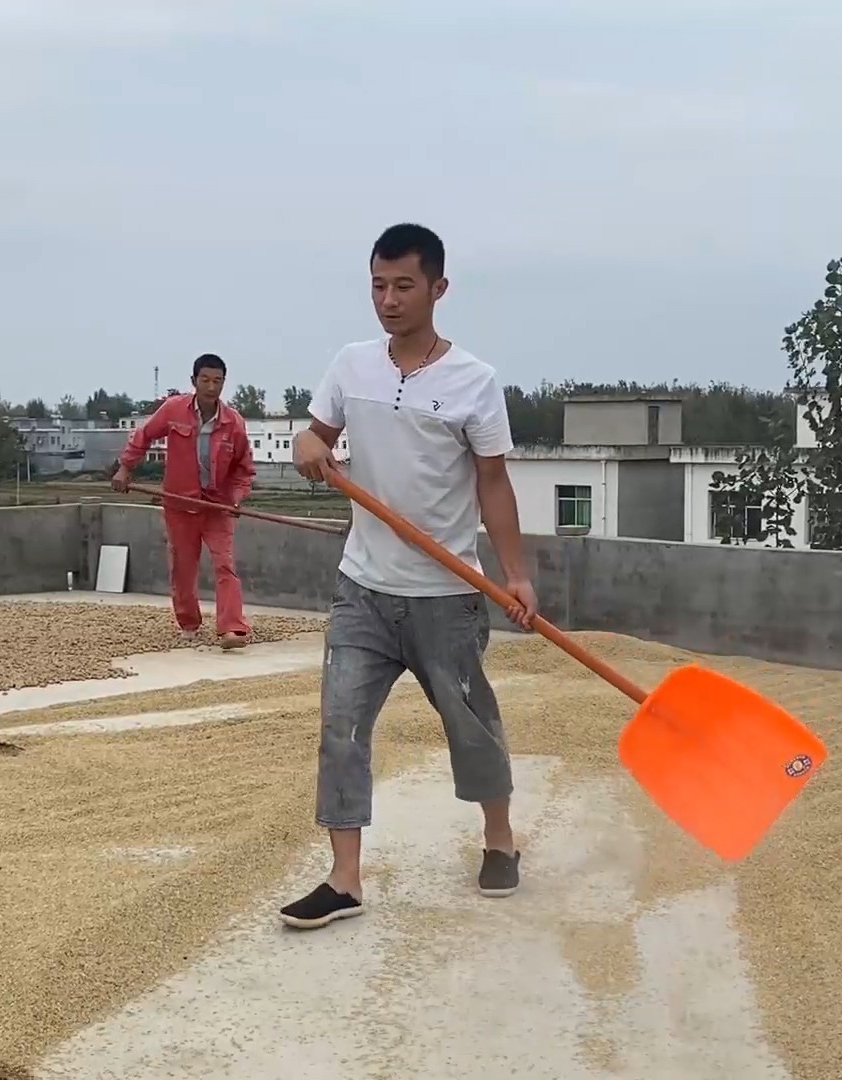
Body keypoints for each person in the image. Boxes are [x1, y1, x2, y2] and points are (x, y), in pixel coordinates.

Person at [279, 223, 537, 930]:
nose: (388, 300)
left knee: (471, 724)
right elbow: (316, 438)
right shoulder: (351, 365)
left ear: (438, 289)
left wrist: (514, 576)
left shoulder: (474, 383)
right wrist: (308, 443)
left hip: (447, 596)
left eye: (403, 286)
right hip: (363, 587)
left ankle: (499, 838)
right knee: (340, 727)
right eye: (377, 286)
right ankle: (345, 880)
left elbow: (493, 484)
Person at [112, 353, 256, 648]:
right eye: (205, 380)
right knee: (183, 566)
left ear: (224, 383)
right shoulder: (174, 410)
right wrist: (126, 468)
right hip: (179, 503)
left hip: (217, 506)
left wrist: (237, 499)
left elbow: (244, 469)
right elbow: (145, 435)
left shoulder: (233, 423)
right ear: (194, 381)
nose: (211, 387)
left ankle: (232, 628)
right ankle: (189, 622)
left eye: (217, 381)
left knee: (224, 565)